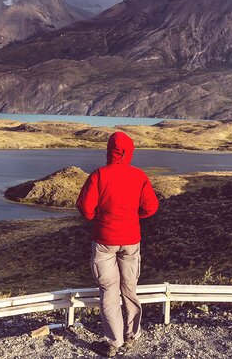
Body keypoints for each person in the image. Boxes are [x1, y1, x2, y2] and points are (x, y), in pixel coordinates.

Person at [76, 131, 159, 357]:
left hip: (104, 241)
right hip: (131, 241)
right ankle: (132, 335)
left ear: (109, 150)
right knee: (129, 288)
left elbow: (85, 209)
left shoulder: (98, 176)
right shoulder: (139, 176)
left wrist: (100, 217)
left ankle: (114, 342)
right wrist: (132, 217)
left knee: (109, 291)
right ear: (129, 151)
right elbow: (151, 207)